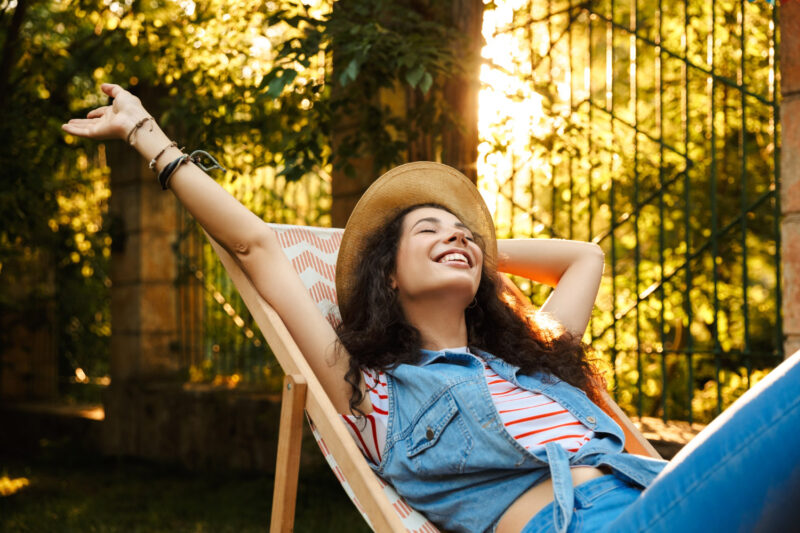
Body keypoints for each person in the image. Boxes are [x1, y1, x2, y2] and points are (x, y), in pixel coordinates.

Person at [64, 84, 800, 533]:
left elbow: (584, 257)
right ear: (389, 273)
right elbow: (258, 247)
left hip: (664, 494)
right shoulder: (369, 384)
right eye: (428, 230)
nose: (454, 235)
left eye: (462, 232)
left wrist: (471, 244)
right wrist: (145, 136)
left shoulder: (530, 356)